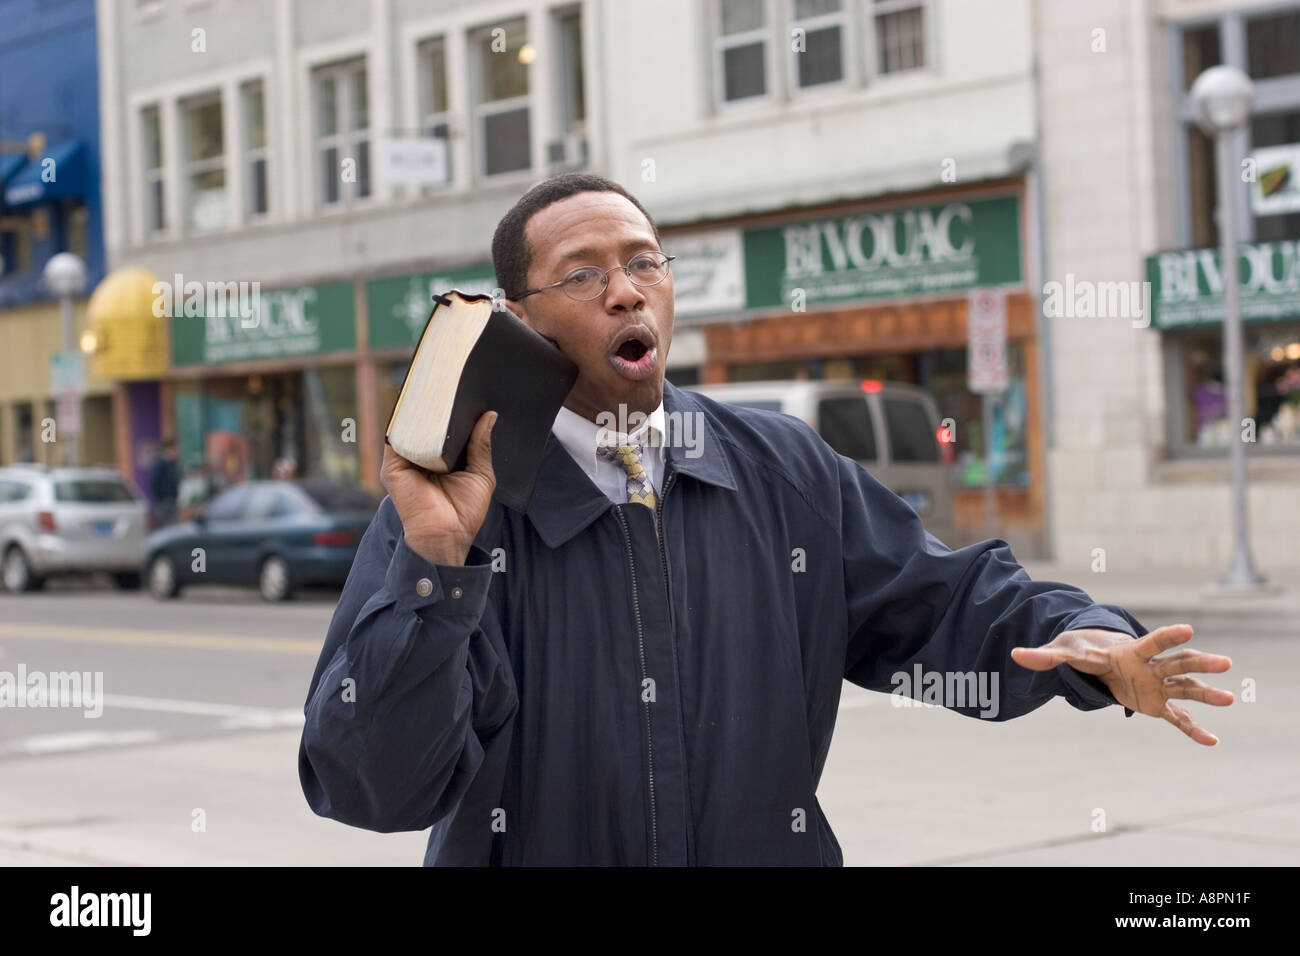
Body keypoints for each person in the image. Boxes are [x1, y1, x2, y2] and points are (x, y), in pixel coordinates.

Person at [299, 173, 1234, 867]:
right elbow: (371, 786)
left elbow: (944, 602)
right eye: (582, 276)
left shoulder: (783, 471)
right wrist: (436, 566)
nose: (627, 290)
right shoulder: (457, 511)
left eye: (642, 263)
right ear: (517, 322)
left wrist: (1089, 646)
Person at [147, 438, 180, 528]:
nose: (176, 452)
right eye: (174, 449)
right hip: (164, 502)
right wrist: (161, 498)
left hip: (171, 501)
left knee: (173, 528)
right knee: (165, 529)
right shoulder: (159, 464)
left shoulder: (171, 464)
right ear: (168, 449)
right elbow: (154, 483)